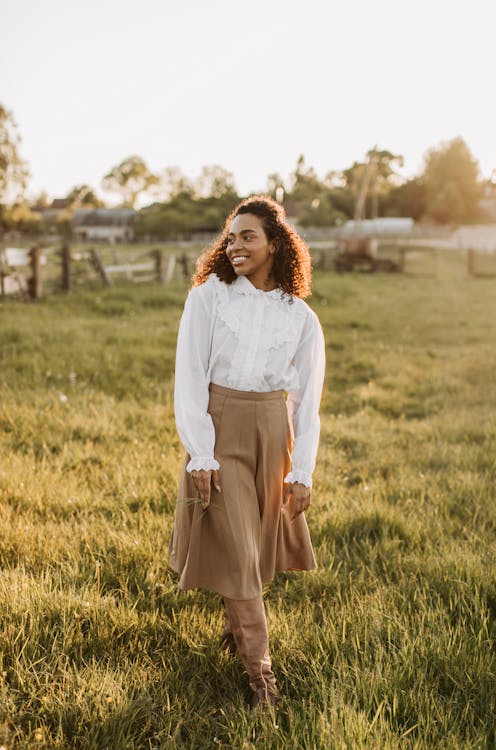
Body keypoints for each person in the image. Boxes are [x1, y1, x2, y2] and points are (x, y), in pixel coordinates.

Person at [169, 195, 325, 709]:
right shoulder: (209, 298)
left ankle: (236, 632)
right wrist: (200, 453)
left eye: (247, 236)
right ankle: (262, 679)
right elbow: (189, 376)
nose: (235, 245)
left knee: (251, 554)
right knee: (236, 548)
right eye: (230, 237)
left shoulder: (300, 317)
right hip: (219, 431)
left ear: (276, 243)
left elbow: (306, 401)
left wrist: (302, 469)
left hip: (271, 434)